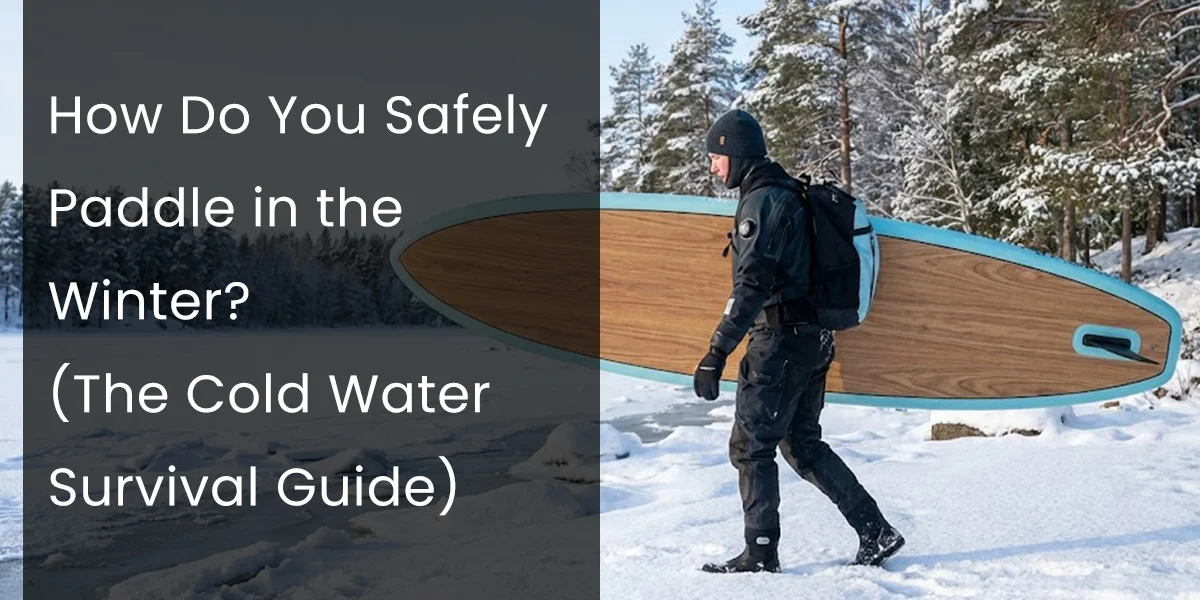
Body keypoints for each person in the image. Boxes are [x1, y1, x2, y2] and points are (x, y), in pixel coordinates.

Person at [692, 109, 904, 573]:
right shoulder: (789, 192)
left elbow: (751, 285)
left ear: (736, 152)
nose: (713, 167)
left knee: (751, 447)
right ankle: (876, 530)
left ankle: (761, 552)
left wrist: (716, 353)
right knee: (803, 446)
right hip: (813, 340)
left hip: (780, 344)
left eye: (716, 157)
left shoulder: (763, 202)